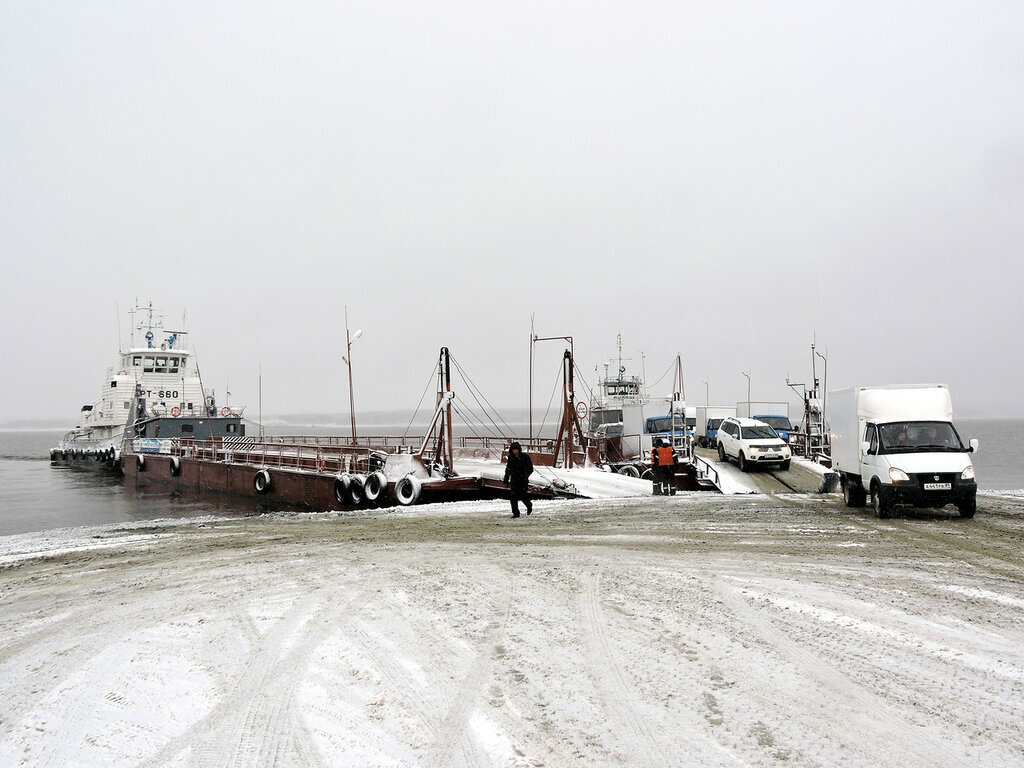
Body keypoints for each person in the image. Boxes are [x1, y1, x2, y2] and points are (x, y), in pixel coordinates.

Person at [503, 441, 534, 518]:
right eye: (513, 449)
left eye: (516, 449)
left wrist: (525, 475)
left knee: (523, 496)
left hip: (523, 480)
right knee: (513, 497)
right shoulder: (510, 458)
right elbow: (508, 469)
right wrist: (506, 479)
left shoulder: (525, 457)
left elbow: (530, 468)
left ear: (519, 449)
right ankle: (516, 513)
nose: (515, 451)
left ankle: (529, 505)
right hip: (514, 480)